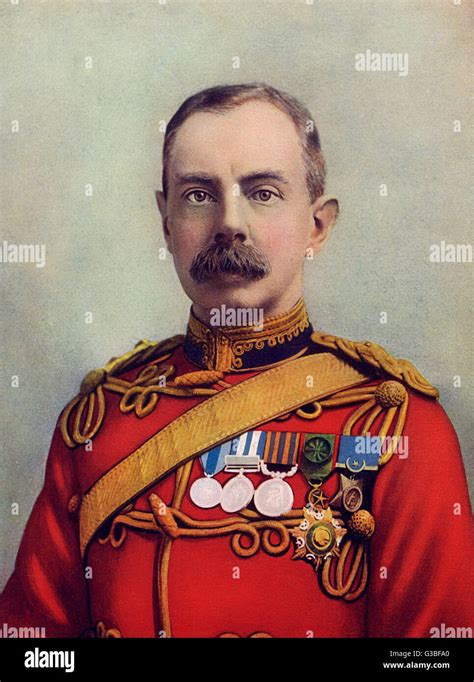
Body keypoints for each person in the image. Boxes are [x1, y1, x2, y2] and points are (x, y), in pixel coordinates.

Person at [1, 83, 472, 639]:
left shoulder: (397, 425)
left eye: (263, 192)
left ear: (317, 226)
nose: (230, 222)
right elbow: (30, 651)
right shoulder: (96, 421)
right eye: (199, 194)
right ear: (166, 221)